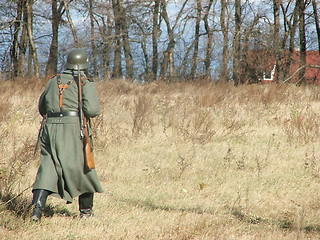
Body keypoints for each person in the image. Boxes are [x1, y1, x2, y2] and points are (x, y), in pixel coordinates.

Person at [31, 48, 103, 222]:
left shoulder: (53, 81)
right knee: (83, 167)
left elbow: (42, 108)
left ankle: (36, 210)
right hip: (73, 129)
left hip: (50, 128)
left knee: (48, 167)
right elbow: (93, 110)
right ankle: (86, 212)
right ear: (84, 64)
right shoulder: (85, 82)